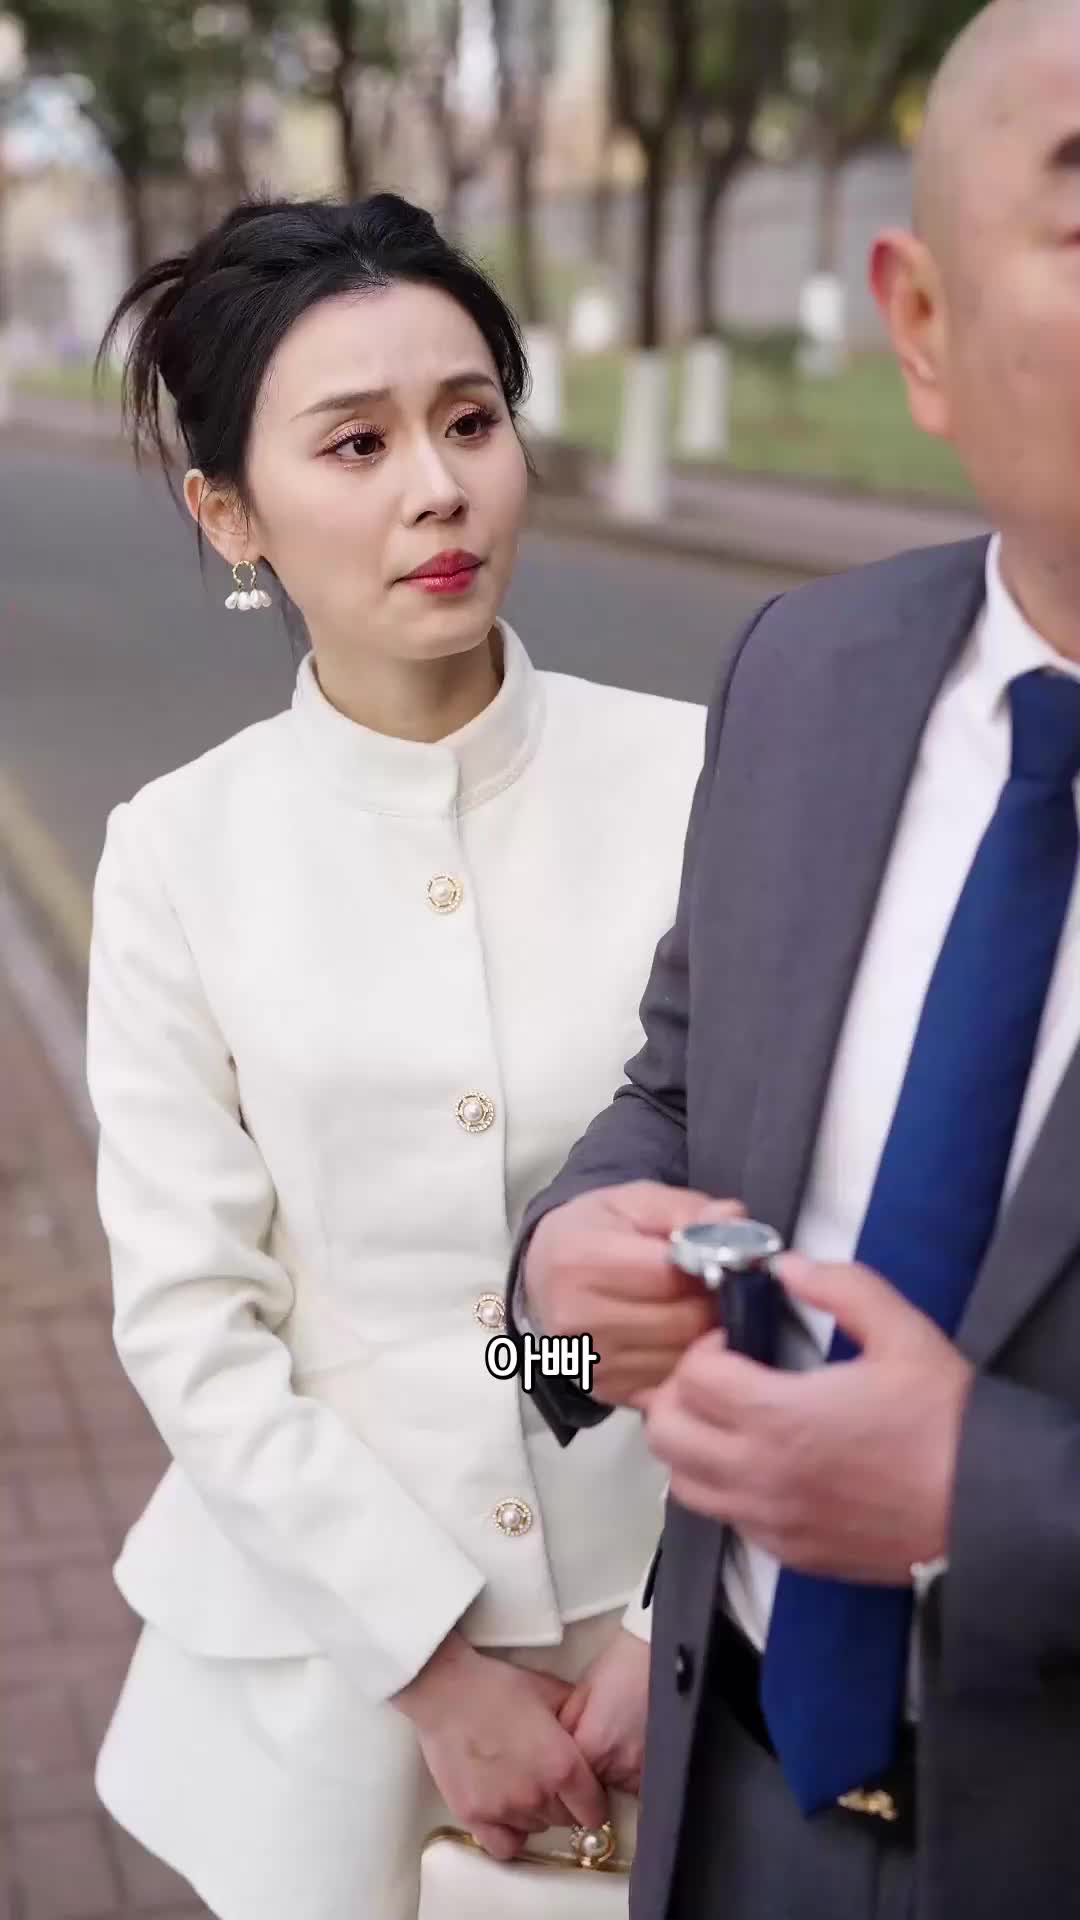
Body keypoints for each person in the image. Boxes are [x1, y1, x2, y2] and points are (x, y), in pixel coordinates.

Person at [509, 3, 1080, 1916]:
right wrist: (556, 1289)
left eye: (472, 424)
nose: (438, 490)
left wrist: (985, 1504)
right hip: (717, 1794)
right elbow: (676, 1105)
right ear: (921, 323)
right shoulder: (806, 675)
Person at [83, 191, 707, 1920]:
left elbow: (812, 1235)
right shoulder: (176, 854)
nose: (437, 487)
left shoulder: (712, 779)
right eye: (355, 443)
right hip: (334, 1677)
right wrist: (434, 1673)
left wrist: (673, 1620)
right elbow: (194, 1320)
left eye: (470, 420)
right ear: (229, 513)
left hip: (695, 1641)